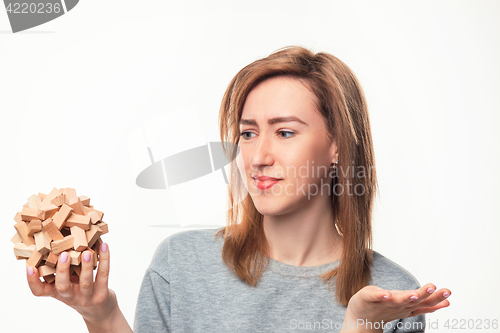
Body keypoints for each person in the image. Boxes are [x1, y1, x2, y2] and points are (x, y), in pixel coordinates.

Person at [26, 46, 451, 333]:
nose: (258, 156)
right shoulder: (180, 266)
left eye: (284, 132)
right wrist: (100, 314)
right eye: (248, 134)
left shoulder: (391, 297)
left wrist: (358, 325)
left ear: (338, 145)